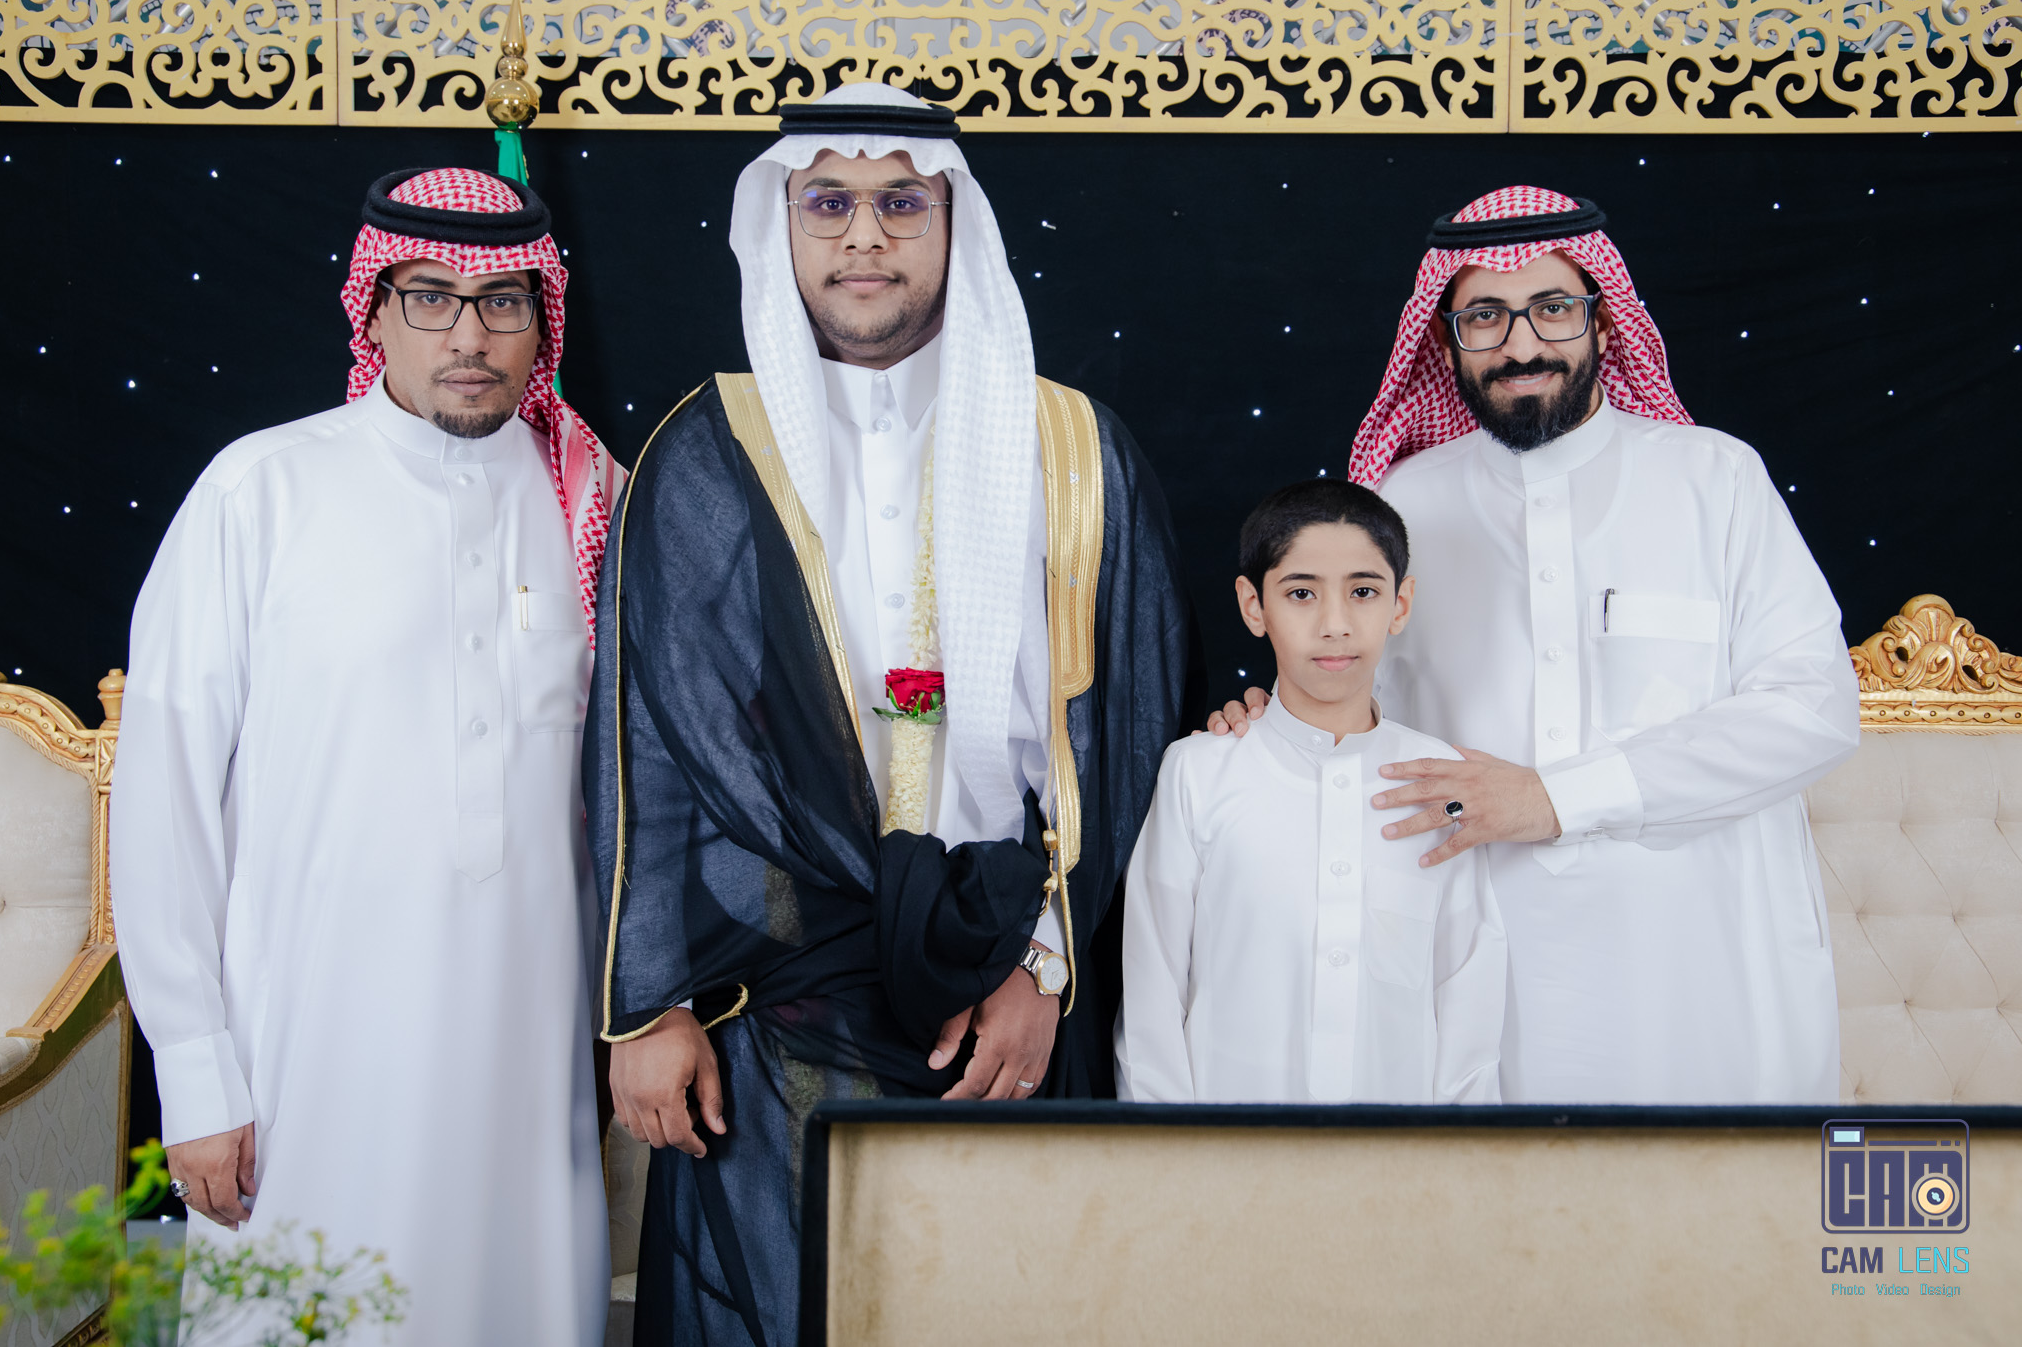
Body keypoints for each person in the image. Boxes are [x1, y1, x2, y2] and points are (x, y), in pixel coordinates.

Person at [587, 85, 1193, 1346]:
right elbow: (645, 746)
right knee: (780, 1307)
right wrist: (647, 1005)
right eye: (828, 203)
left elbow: (1126, 732)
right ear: (780, 224)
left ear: (953, 223)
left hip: (1000, 978)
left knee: (1003, 1303)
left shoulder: (1071, 449)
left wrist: (1046, 964)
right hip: (774, 980)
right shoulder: (705, 449)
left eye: (900, 204)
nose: (864, 237)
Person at [1209, 186, 1858, 1105]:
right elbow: (1354, 702)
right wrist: (1275, 723)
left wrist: (1554, 797)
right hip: (1477, 955)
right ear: (1446, 341)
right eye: (1485, 316)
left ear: (1604, 321)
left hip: (1701, 959)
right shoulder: (1403, 505)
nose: (1520, 345)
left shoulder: (1715, 480)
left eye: (1552, 307)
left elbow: (1813, 709)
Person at [110, 168, 616, 1344]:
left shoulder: (593, 502)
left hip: (526, 1062)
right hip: (302, 1057)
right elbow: (165, 799)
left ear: (542, 318)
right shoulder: (262, 490)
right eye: (430, 298)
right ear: (373, 310)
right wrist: (195, 1067)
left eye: (502, 302)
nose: (468, 337)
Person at [1118, 479, 1505, 1104]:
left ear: (1400, 605)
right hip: (1224, 1149)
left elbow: (1468, 999)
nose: (1334, 625)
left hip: (1400, 1151)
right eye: (1301, 593)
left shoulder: (1440, 782)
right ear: (1254, 606)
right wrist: (1175, 1150)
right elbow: (1152, 992)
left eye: (1363, 592)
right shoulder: (1198, 773)